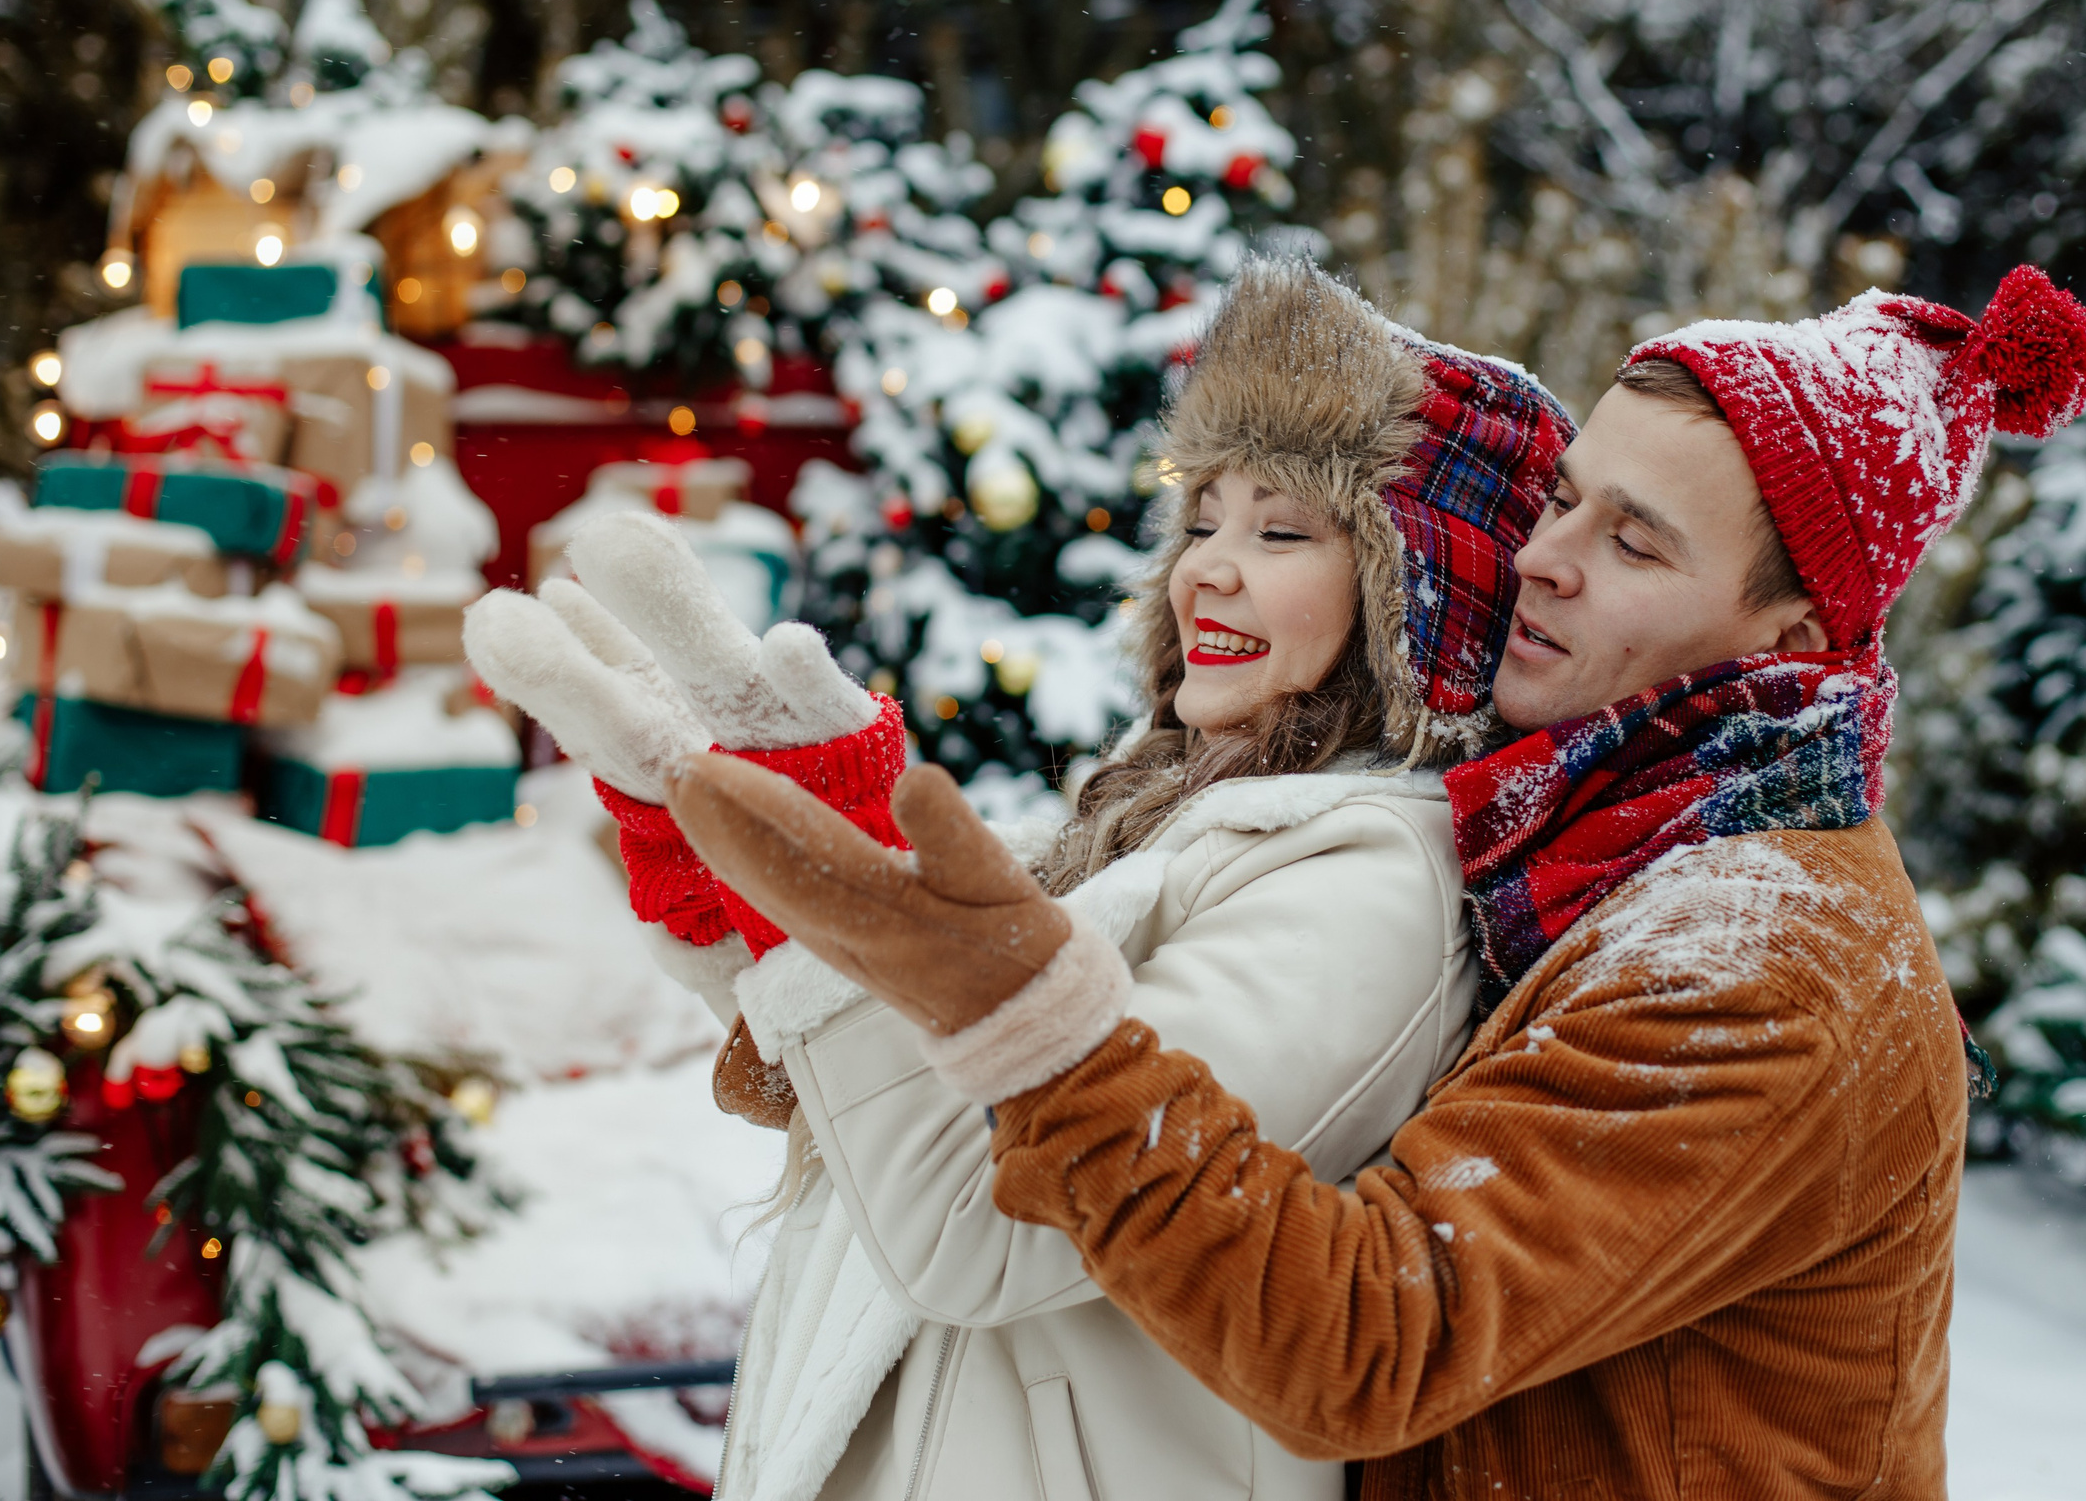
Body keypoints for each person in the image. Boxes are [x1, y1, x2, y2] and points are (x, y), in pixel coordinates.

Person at [665, 268, 2086, 1500]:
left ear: (1791, 626)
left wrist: (1043, 1032)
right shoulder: (1597, 856)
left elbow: (1374, 1331)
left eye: (1634, 539)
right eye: (1568, 502)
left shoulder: (1764, 962)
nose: (1542, 558)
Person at [463, 256, 1574, 1501]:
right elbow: (901, 1110)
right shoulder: (1169, 816)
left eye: (1282, 529)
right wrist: (744, 900)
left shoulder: (1368, 875)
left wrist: (839, 902)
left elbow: (988, 1218)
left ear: (1408, 593)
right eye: (1201, 518)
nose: (1207, 565)